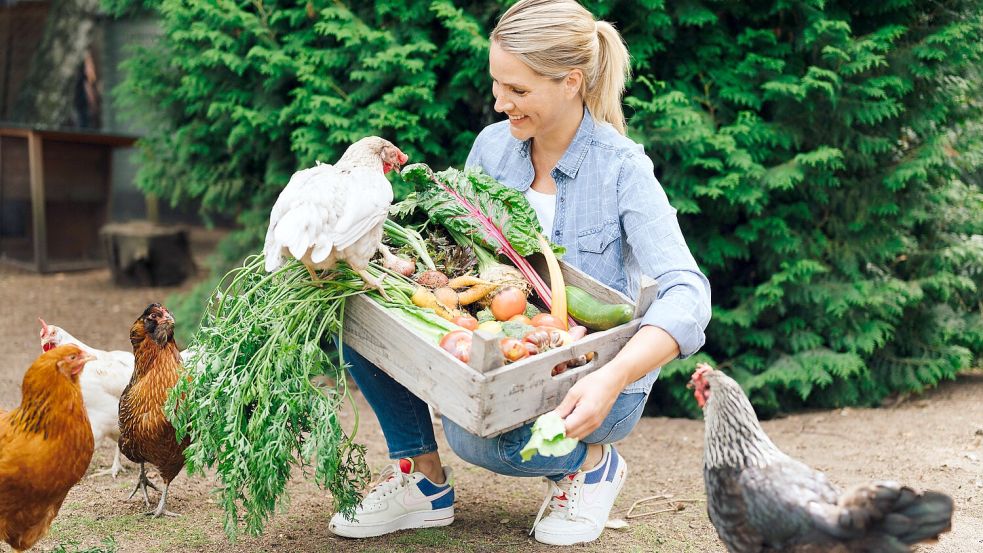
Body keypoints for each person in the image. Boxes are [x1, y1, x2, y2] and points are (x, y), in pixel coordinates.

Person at [328, 0, 711, 545]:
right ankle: (422, 480)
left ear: (572, 81)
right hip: (504, 347)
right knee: (358, 309)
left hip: (591, 378)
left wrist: (610, 378)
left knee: (483, 441)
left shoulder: (623, 169)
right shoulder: (493, 147)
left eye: (519, 90)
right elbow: (456, 246)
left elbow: (688, 293)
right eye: (497, 85)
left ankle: (593, 465)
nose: (500, 101)